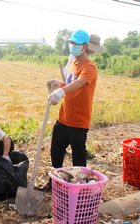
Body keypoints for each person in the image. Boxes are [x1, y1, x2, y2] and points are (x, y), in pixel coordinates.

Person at [46, 30, 98, 169]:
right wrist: (59, 84)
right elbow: (71, 85)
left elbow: (80, 83)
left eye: (76, 43)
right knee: (56, 151)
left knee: (78, 158)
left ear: (85, 46)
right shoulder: (73, 64)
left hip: (78, 121)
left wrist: (61, 91)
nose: (72, 45)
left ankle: (79, 187)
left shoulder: (89, 66)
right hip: (64, 118)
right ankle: (55, 181)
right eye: (71, 42)